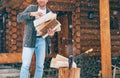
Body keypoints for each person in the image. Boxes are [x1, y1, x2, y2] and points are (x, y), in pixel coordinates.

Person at [17, 0, 54, 78]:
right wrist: (31, 14)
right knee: (26, 65)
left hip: (42, 41)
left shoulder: (49, 13)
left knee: (40, 66)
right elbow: (19, 17)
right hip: (29, 40)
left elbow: (52, 29)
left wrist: (51, 33)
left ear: (47, 0)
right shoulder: (31, 8)